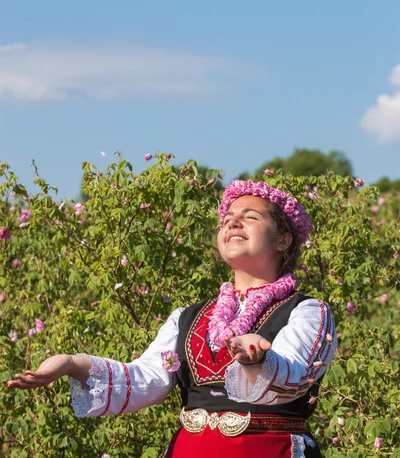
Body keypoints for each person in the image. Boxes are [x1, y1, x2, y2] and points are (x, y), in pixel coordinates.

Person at [8, 180, 337, 458]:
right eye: (227, 220)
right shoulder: (188, 317)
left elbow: (296, 376)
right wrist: (71, 363)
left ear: (283, 239)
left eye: (249, 216)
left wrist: (260, 360)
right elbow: (146, 378)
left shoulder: (307, 312)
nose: (233, 223)